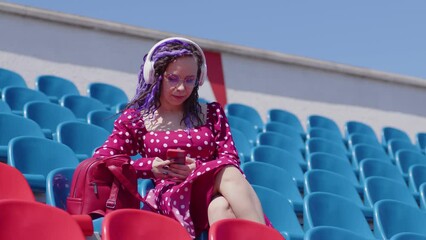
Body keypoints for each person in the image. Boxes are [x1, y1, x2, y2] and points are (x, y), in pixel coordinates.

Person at [93, 37, 271, 239]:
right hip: (171, 195)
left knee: (221, 208)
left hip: (211, 193)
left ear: (199, 79)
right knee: (228, 174)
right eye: (173, 78)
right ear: (155, 75)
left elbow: (230, 157)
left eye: (189, 80)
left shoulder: (212, 113)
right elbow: (104, 159)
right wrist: (149, 167)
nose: (181, 88)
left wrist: (199, 169)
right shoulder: (135, 119)